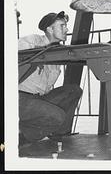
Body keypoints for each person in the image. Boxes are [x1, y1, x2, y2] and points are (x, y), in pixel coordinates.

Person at [18, 11, 82, 147]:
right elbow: (15, 53)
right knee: (57, 116)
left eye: (66, 26)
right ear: (49, 29)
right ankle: (23, 135)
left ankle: (57, 132)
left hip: (40, 97)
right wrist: (38, 53)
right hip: (21, 99)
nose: (67, 29)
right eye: (62, 26)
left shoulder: (58, 51)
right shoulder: (32, 41)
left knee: (74, 90)